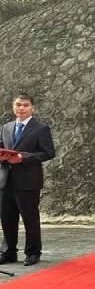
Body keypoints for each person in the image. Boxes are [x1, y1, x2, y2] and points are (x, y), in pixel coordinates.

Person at [0, 94, 56, 266]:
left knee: (30, 218)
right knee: (7, 218)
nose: (21, 108)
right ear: (13, 107)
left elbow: (48, 152)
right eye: (18, 105)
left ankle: (33, 253)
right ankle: (8, 252)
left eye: (25, 105)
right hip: (5, 180)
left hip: (28, 181)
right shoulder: (6, 127)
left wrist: (23, 157)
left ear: (32, 108)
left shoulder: (40, 128)